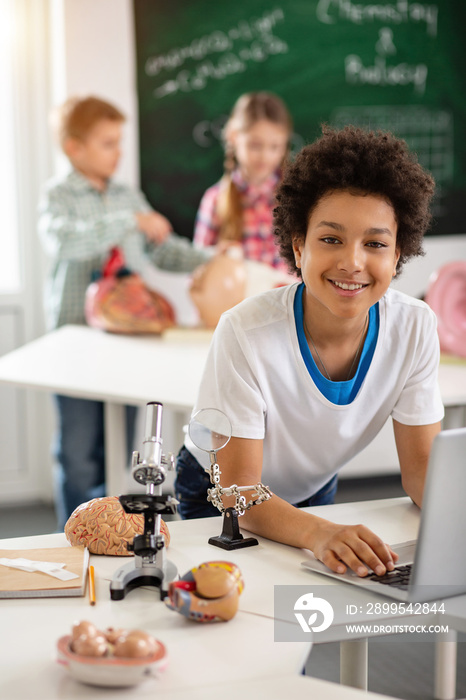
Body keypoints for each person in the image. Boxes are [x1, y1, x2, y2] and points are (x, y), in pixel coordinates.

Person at [175, 125, 444, 579]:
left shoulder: (415, 327)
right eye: (331, 239)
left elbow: (422, 474)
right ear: (299, 246)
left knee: (300, 612)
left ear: (399, 254)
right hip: (217, 491)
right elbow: (239, 491)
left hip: (311, 488)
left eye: (375, 244)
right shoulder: (246, 330)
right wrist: (319, 532)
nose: (352, 262)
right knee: (239, 610)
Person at [38, 95, 209, 529]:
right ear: (74, 147)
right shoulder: (58, 195)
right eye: (107, 143)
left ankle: (111, 531)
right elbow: (66, 242)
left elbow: (162, 250)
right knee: (78, 452)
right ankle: (75, 535)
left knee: (120, 448)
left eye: (119, 142)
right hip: (75, 344)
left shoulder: (127, 194)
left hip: (128, 343)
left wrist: (209, 258)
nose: (118, 152)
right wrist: (126, 220)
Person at [193, 92, 292, 274]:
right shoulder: (216, 199)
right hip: (237, 301)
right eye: (255, 145)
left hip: (287, 300)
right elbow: (197, 272)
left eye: (275, 147)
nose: (265, 156)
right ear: (233, 137)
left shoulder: (295, 196)